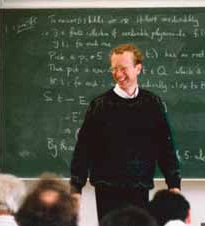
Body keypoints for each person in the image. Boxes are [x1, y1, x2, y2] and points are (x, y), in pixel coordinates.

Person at [70, 43, 181, 220]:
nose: (118, 74)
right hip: (107, 191)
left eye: (123, 68)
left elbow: (165, 146)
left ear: (138, 68)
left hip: (140, 189)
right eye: (114, 69)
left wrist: (174, 185)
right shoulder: (100, 105)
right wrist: (76, 188)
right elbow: (83, 149)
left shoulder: (152, 103)